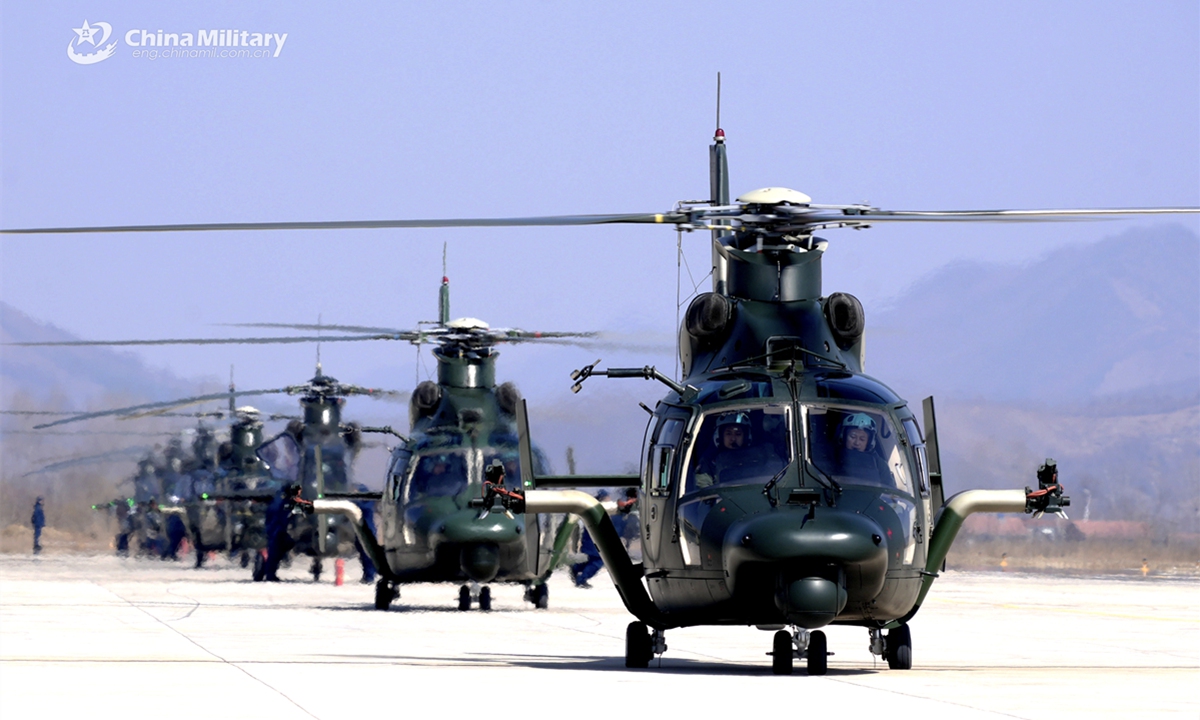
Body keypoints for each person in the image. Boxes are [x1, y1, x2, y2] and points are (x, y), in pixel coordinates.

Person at [694, 412, 784, 488]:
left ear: (746, 437)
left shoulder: (761, 454)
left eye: (738, 434)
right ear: (719, 436)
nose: (733, 438)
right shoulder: (709, 462)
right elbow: (704, 488)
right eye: (728, 433)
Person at [836, 413, 891, 485]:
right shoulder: (830, 455)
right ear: (844, 436)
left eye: (862, 439)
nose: (857, 443)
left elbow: (889, 491)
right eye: (853, 437)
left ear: (869, 442)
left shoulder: (879, 465)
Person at [571, 490, 607, 588]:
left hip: (590, 540)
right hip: (594, 540)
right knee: (597, 561)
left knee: (590, 560)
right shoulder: (599, 510)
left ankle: (575, 568)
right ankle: (581, 579)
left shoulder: (591, 509)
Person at [353, 484, 378, 584]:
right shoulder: (363, 503)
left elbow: (361, 507)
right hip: (360, 530)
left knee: (367, 554)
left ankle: (370, 576)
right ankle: (367, 575)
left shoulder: (366, 503)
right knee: (363, 555)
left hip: (367, 531)